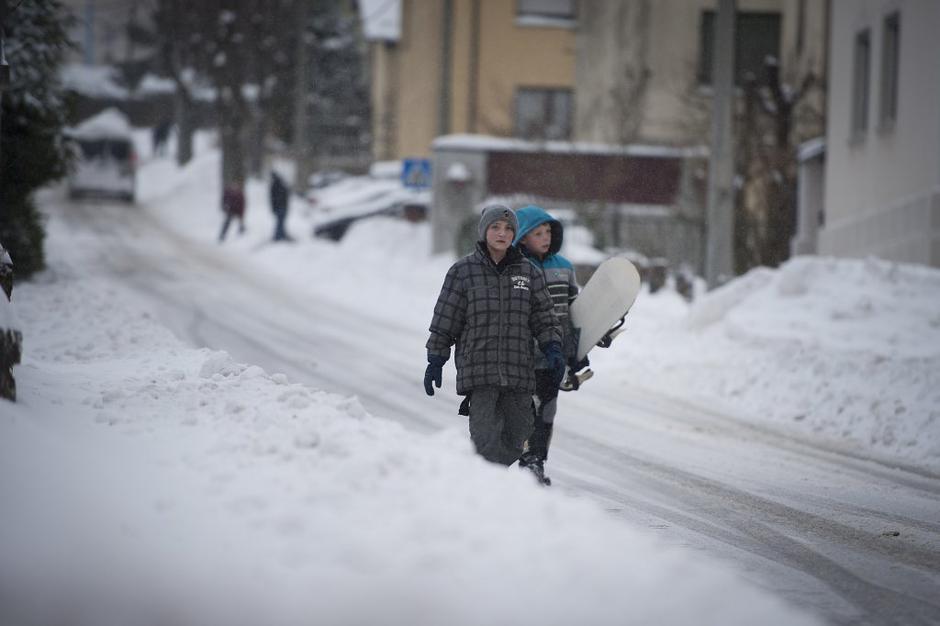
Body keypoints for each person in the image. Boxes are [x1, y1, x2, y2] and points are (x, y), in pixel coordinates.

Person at [424, 204, 566, 471]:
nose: (503, 233)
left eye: (509, 228)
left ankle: (493, 486)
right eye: (496, 227)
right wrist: (436, 357)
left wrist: (553, 348)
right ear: (484, 231)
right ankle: (488, 492)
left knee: (516, 438)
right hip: (480, 371)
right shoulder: (463, 271)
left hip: (518, 372)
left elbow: (544, 317)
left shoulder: (528, 273)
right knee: (484, 441)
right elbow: (446, 319)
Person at [512, 204, 586, 485]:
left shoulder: (564, 268)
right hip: (522, 356)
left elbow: (575, 312)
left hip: (554, 357)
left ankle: (537, 461)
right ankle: (525, 460)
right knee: (525, 409)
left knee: (547, 411)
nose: (545, 238)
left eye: (547, 232)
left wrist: (579, 352)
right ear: (522, 238)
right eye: (537, 233)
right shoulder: (517, 268)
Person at [269, 170, 292, 242]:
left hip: (280, 206)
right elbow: (275, 198)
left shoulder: (276, 185)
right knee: (280, 222)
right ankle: (278, 236)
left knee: (280, 222)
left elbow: (274, 198)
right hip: (280, 207)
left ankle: (281, 234)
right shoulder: (278, 185)